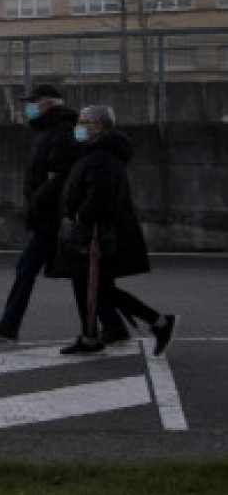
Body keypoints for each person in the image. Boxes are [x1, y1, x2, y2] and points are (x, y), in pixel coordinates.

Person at [0, 84, 129, 342]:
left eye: (34, 102)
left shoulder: (61, 133)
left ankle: (11, 323)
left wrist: (38, 199)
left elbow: (58, 176)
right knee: (75, 275)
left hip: (53, 218)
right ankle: (109, 325)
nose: (29, 107)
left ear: (48, 103)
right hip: (52, 215)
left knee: (36, 269)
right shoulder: (48, 131)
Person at [53, 104, 178, 356]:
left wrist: (80, 215)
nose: (79, 127)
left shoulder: (100, 158)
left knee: (94, 287)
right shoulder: (97, 153)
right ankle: (93, 335)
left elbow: (102, 198)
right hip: (91, 235)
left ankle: (158, 322)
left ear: (98, 128)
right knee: (92, 287)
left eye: (84, 122)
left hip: (93, 235)